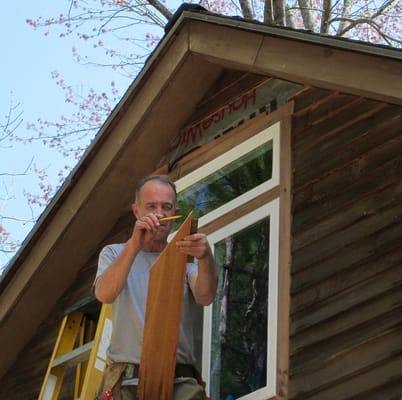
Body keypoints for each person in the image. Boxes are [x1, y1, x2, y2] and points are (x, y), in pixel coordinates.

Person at [94, 174, 218, 400]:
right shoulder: (113, 252)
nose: (160, 214)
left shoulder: (183, 254)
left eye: (166, 207)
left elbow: (205, 296)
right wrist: (135, 244)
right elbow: (104, 293)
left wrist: (205, 257)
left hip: (180, 381)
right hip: (127, 380)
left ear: (175, 212)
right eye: (151, 206)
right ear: (136, 211)